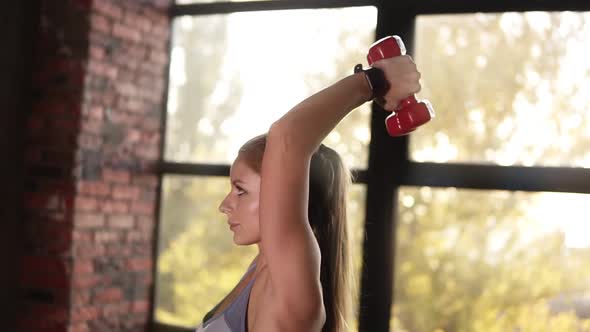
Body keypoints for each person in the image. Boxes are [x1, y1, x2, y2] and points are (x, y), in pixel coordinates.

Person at [195, 53, 422, 332]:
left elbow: (288, 135)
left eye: (240, 191)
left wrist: (376, 80)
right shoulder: (261, 268)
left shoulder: (288, 291)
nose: (224, 205)